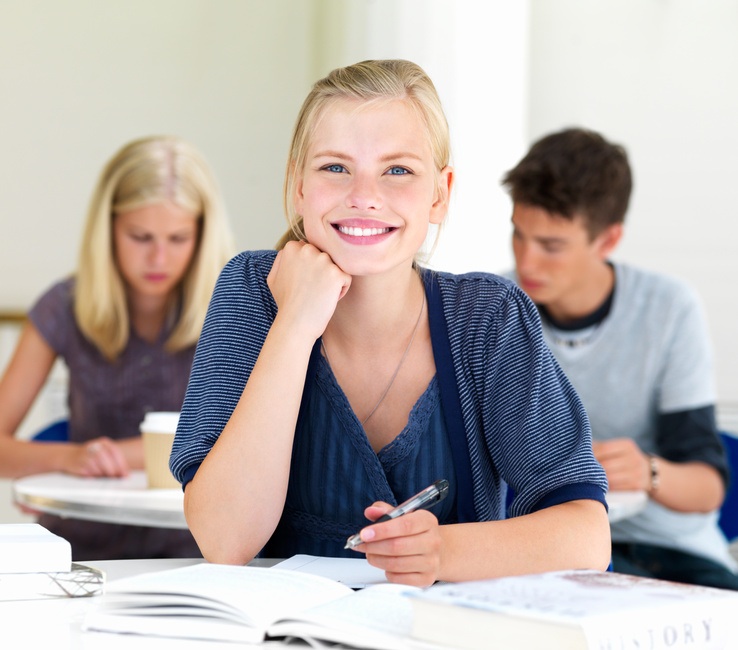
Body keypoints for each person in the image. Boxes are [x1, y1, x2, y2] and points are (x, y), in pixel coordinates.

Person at [170, 60, 610, 587]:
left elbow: (587, 537)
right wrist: (294, 324)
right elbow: (225, 540)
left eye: (397, 170)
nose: (364, 195)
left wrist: (442, 552)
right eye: (335, 167)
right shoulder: (251, 290)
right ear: (297, 186)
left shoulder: (488, 318)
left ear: (440, 195)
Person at [501, 127, 738, 590]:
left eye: (551, 246)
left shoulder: (668, 308)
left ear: (608, 241)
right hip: (548, 550)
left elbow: (708, 487)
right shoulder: (496, 307)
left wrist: (648, 472)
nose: (526, 262)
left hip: (665, 552)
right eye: (518, 234)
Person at [0, 135, 234, 560]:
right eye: (140, 237)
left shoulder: (235, 309)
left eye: (178, 238)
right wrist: (72, 457)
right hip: (78, 554)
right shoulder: (62, 306)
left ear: (203, 235)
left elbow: (242, 447)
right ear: (107, 230)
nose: (159, 258)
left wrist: (115, 455)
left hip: (197, 553)